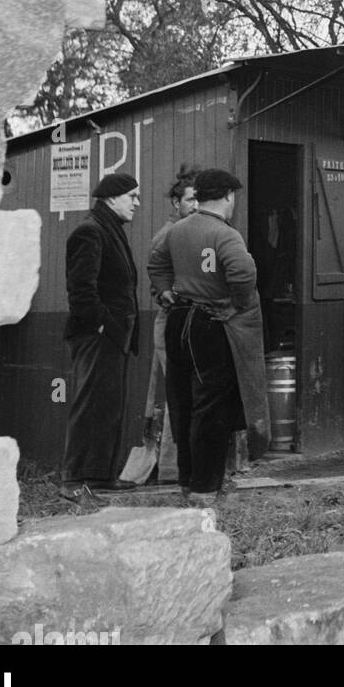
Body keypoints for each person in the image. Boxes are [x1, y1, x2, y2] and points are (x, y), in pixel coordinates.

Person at [149, 168, 269, 505]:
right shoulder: (226, 235)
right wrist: (237, 305)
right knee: (211, 408)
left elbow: (156, 265)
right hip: (211, 323)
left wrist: (165, 292)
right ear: (229, 196)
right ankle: (205, 489)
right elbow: (243, 272)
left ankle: (187, 481)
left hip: (178, 321)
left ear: (198, 197)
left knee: (183, 403)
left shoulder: (176, 231)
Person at [60, 171, 142, 499]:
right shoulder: (89, 231)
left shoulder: (109, 229)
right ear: (112, 198)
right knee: (90, 405)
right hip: (97, 336)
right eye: (132, 196)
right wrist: (107, 327)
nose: (137, 203)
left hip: (112, 336)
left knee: (108, 406)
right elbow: (81, 291)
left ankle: (100, 476)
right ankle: (74, 480)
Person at [138, 166, 198, 483]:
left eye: (199, 200)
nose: (195, 206)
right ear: (176, 203)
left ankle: (181, 465)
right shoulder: (167, 235)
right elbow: (157, 283)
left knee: (187, 392)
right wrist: (174, 296)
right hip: (173, 322)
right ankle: (173, 469)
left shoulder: (196, 232)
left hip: (191, 323)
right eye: (189, 200)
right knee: (178, 393)